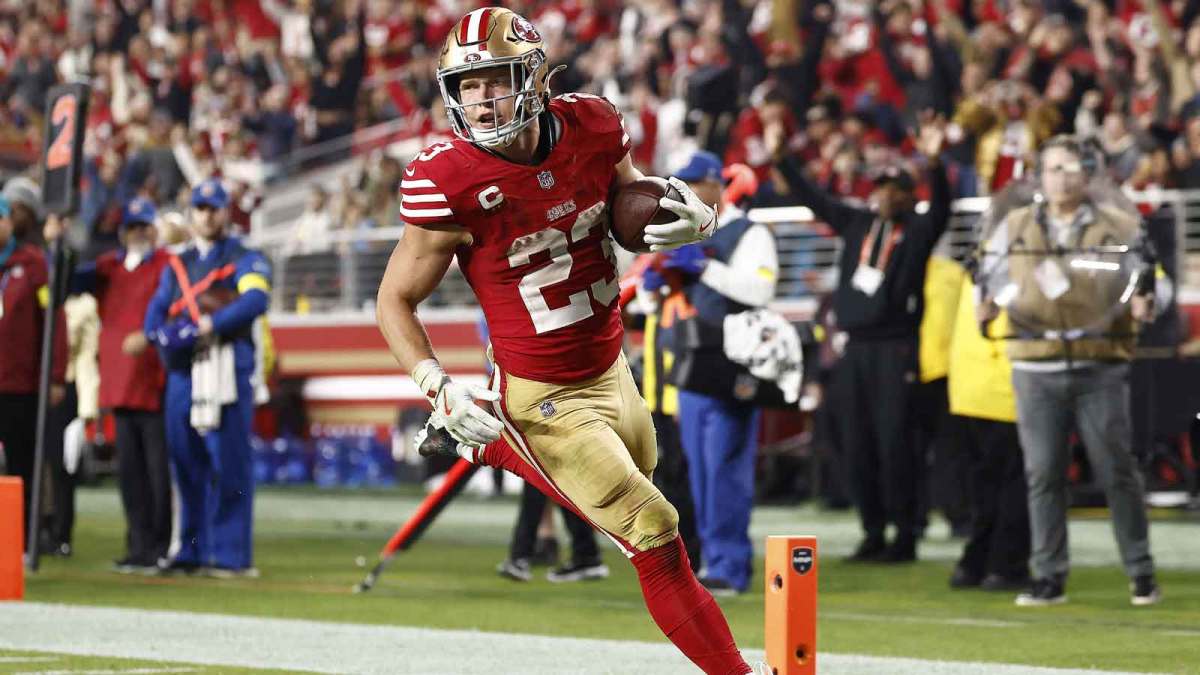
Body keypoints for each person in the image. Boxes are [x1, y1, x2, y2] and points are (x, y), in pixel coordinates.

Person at [376, 9, 751, 674]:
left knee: (643, 495)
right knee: (654, 530)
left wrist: (689, 213)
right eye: (467, 86)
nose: (481, 99)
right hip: (544, 389)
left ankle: (492, 441)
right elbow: (394, 299)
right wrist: (434, 381)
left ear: (534, 76)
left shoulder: (595, 125)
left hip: (613, 368)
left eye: (494, 80)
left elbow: (632, 206)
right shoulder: (446, 179)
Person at [976, 136, 1160, 606]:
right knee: (1042, 474)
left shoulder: (1118, 224)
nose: (1062, 177)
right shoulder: (1013, 225)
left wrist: (1145, 302)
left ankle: (1140, 571)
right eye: (1053, 168)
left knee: (1117, 470)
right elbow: (989, 275)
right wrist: (987, 304)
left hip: (1101, 361)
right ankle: (1049, 575)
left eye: (1071, 168)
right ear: (1040, 175)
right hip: (1035, 364)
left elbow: (1149, 278)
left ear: (1088, 175)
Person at [771, 117, 951, 563]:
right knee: (856, 442)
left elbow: (944, 208)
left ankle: (905, 533)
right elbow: (814, 198)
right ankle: (872, 530)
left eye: (896, 188)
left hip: (895, 348)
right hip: (853, 350)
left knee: (895, 443)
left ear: (911, 196)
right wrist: (782, 161)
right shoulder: (856, 222)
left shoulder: (918, 232)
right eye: (881, 186)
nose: (885, 194)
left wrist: (934, 162)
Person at [655, 150, 778, 596]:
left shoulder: (749, 232)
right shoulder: (685, 234)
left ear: (713, 185)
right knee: (700, 470)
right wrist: (659, 289)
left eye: (692, 184)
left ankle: (730, 564)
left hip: (732, 363)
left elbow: (760, 290)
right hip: (692, 363)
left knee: (726, 465)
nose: (685, 191)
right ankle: (710, 560)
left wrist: (705, 267)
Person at [144, 178, 272, 577]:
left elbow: (256, 299)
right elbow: (154, 313)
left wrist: (208, 324)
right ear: (191, 213)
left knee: (229, 462)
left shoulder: (247, 257)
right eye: (201, 207)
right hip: (185, 371)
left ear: (226, 212)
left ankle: (231, 556)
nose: (207, 214)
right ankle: (191, 550)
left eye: (214, 207)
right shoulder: (177, 264)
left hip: (227, 366)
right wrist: (159, 334)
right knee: (185, 463)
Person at [45, 198, 173, 572]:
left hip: (154, 382)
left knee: (157, 473)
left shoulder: (166, 265)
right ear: (122, 233)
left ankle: (160, 546)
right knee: (131, 474)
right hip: (121, 384)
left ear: (153, 229)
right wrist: (62, 243)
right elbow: (65, 281)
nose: (138, 234)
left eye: (144, 227)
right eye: (132, 227)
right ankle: (137, 546)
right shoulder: (109, 267)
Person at [945, 267, 1031, 591]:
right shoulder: (1023, 269)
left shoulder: (977, 268)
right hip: (1007, 388)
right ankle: (1005, 567)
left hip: (970, 388)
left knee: (985, 485)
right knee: (1015, 484)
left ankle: (973, 564)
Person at [0, 193, 67, 545]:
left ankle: (23, 539)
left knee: (23, 464)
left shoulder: (33, 264)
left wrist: (55, 374)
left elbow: (53, 319)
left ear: (9, 223)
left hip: (19, 384)